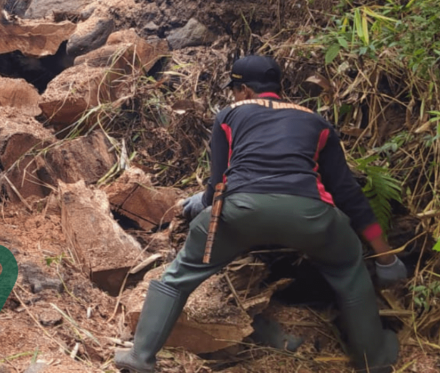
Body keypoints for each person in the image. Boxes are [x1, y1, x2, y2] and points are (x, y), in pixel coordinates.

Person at [114, 55, 407, 373]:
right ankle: (374, 362)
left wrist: (204, 201)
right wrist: (386, 258)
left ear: (243, 90)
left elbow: (219, 181)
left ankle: (140, 357)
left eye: (235, 89)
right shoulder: (315, 120)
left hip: (241, 212)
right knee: (351, 276)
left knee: (178, 277)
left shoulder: (229, 115)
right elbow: (349, 195)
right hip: (311, 215)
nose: (234, 96)